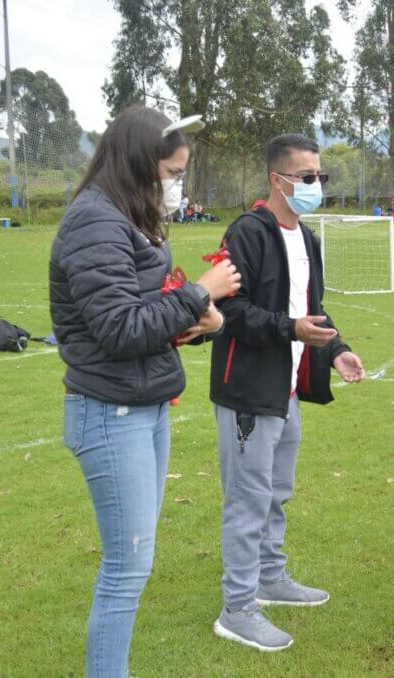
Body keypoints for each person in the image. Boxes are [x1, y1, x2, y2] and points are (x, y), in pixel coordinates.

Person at [49, 107, 242, 676]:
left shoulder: (127, 219)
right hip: (110, 414)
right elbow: (117, 329)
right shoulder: (94, 222)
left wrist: (198, 321)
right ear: (139, 164)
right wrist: (198, 293)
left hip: (143, 406)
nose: (173, 184)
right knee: (125, 569)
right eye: (169, 172)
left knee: (133, 563)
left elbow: (145, 318)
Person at [209, 133, 366, 651]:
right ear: (277, 180)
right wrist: (290, 330)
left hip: (287, 392)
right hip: (249, 393)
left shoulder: (308, 238)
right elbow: (227, 314)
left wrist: (335, 347)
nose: (316, 185)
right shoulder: (248, 234)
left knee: (277, 491)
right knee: (248, 499)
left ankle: (271, 577)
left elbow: (311, 310)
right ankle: (237, 607)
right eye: (306, 177)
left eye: (320, 176)